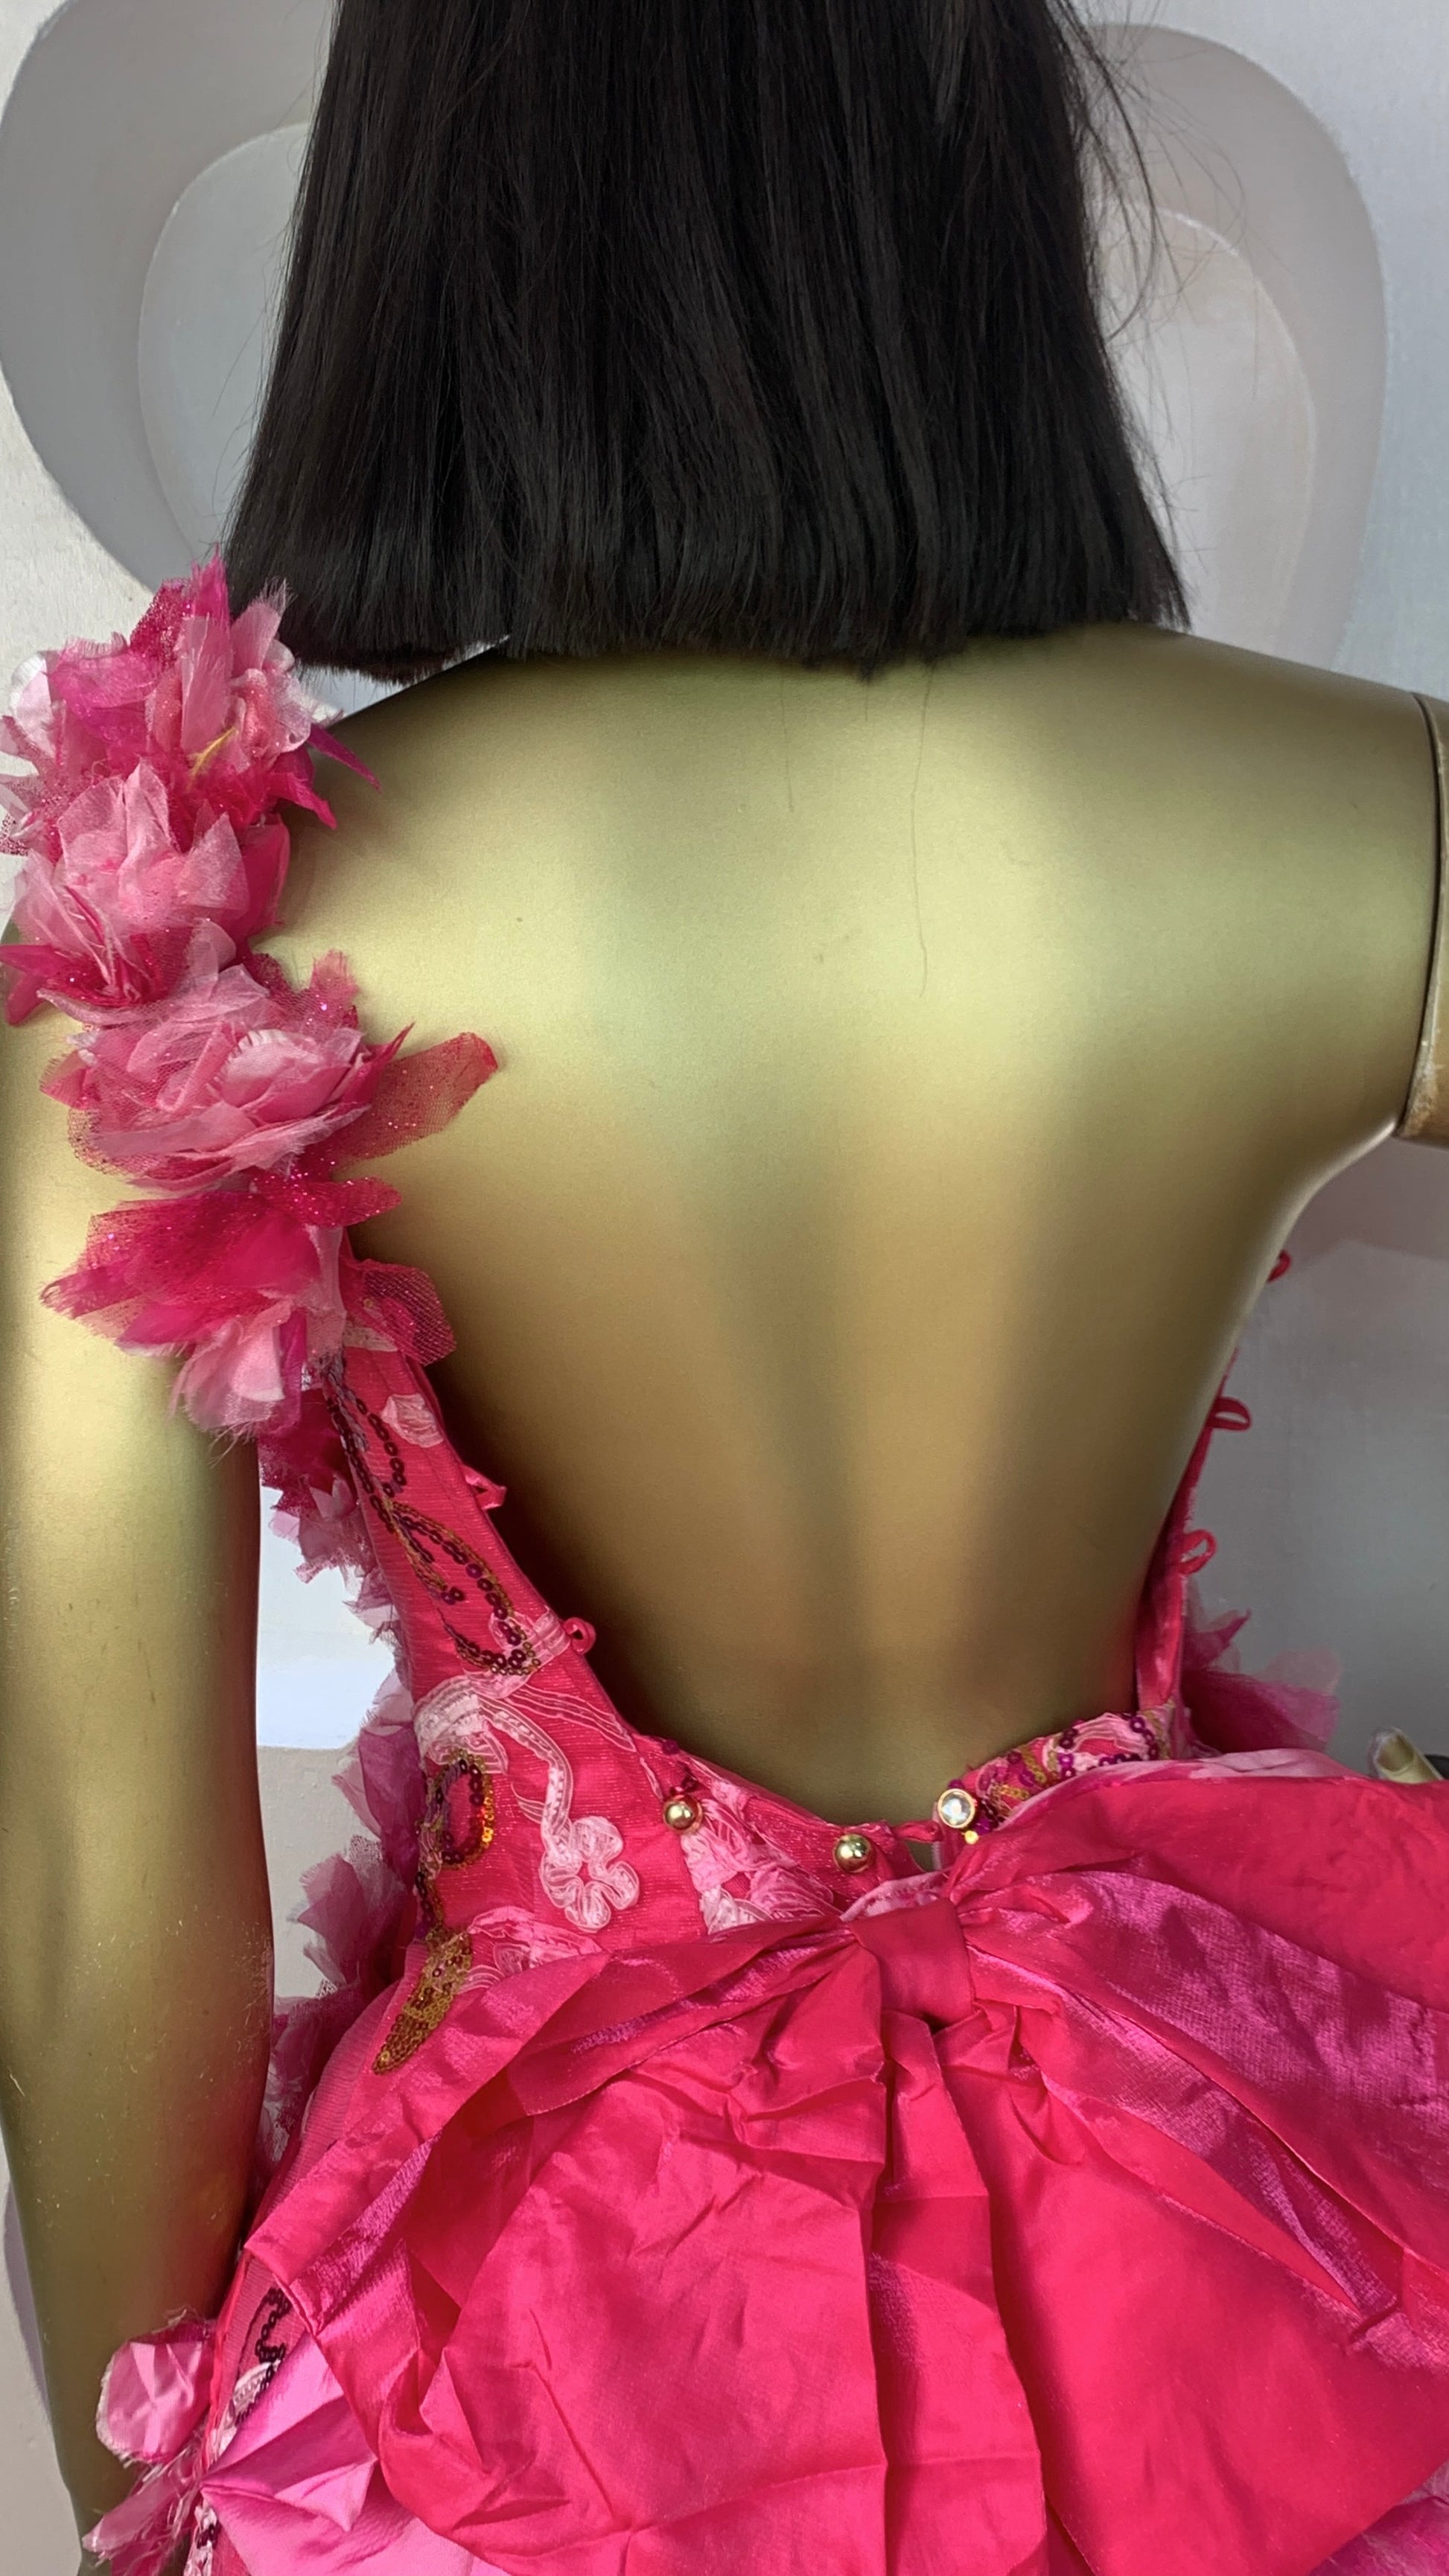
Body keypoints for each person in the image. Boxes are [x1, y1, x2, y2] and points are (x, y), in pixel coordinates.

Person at [2, 1, 1448, 2569]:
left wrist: (164, 2498)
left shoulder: (203, 943)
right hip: (1242, 2210)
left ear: (434, 211)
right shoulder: (1375, 805)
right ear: (979, 181)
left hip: (536, 2345)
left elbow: (105, 1891)